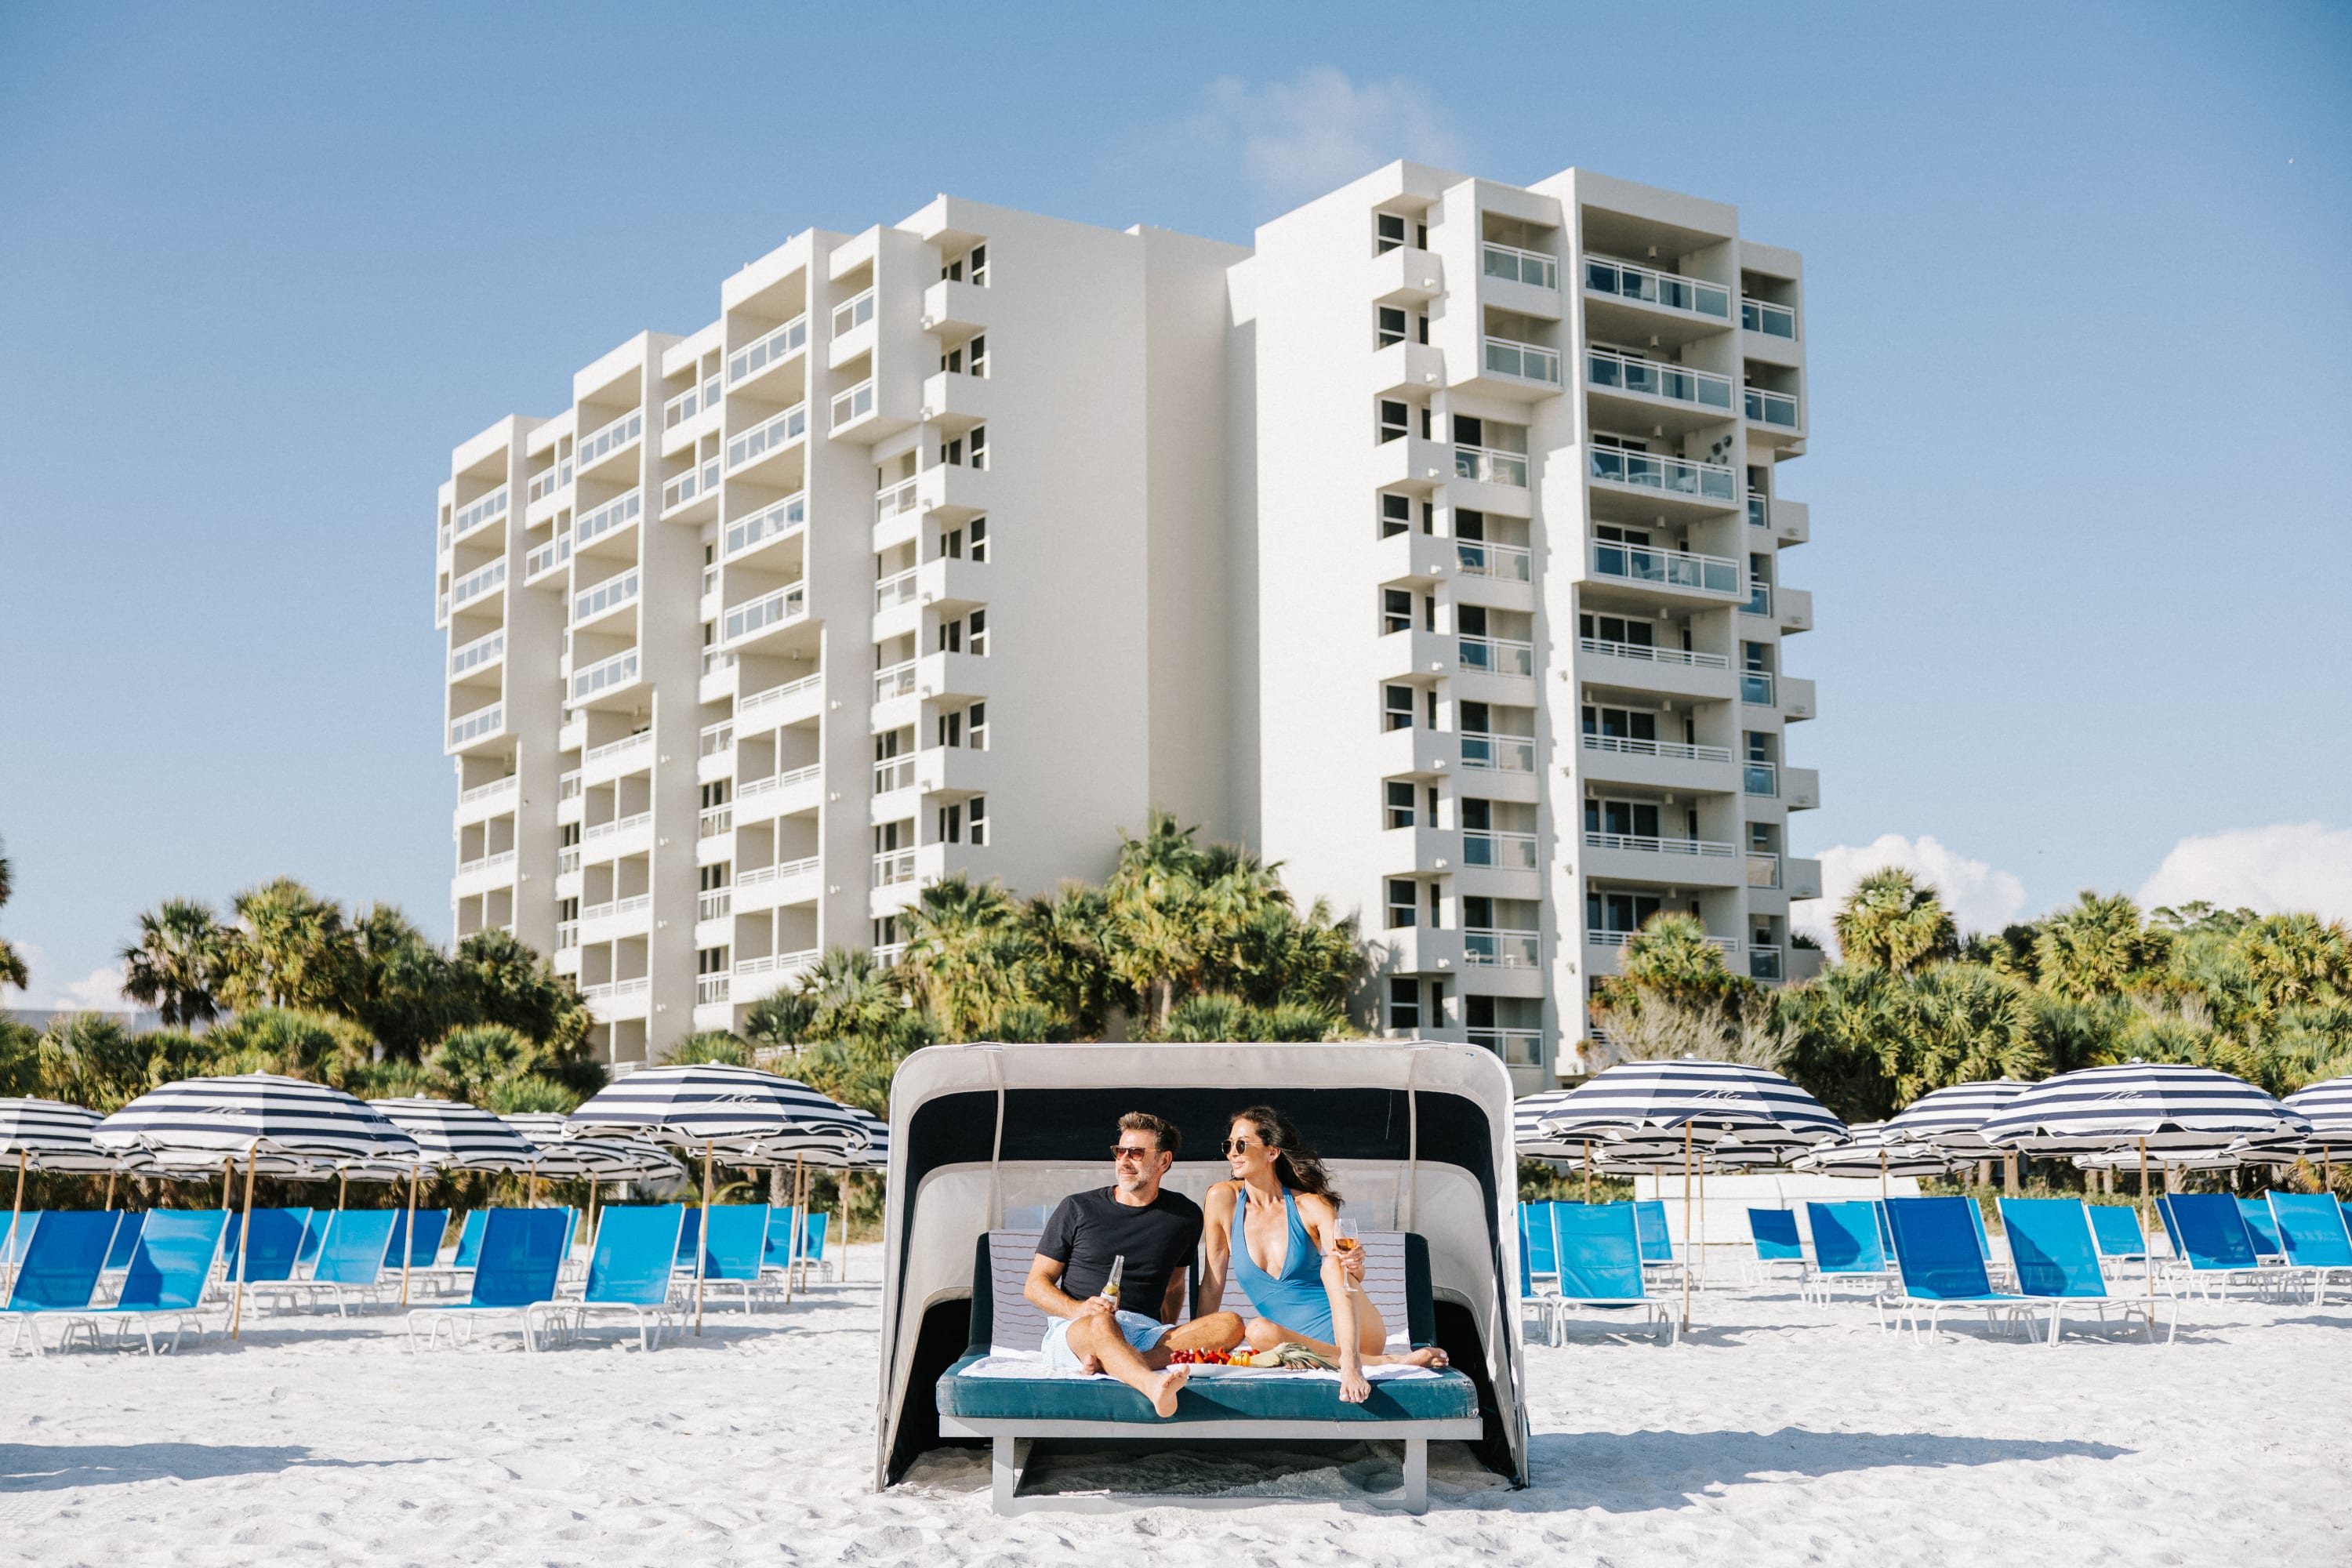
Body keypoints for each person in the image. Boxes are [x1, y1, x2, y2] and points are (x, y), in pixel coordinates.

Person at [1199, 1105, 1450, 1404]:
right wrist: (1201, 1345)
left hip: (1356, 1332)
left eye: (1242, 1145)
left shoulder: (1311, 1205)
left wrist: (1355, 1263)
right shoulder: (1222, 1199)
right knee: (1256, 1330)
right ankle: (1385, 1362)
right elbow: (1212, 1281)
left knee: (1332, 1264)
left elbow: (1348, 1274)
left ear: (1272, 1152)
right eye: (1229, 1145)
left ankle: (1354, 1364)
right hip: (1293, 1339)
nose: (1232, 1153)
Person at [1023, 1112, 1245, 1417]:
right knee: (1104, 1324)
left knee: (1231, 1323)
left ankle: (1117, 1361)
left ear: (1164, 1161)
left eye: (1136, 1153)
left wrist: (1177, 1332)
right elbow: (1035, 1285)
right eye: (1120, 1152)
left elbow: (1174, 1285)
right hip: (1079, 1328)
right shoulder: (1077, 1208)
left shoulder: (1184, 1216)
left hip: (1145, 1332)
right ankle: (1151, 1385)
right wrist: (1079, 1309)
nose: (1124, 1161)